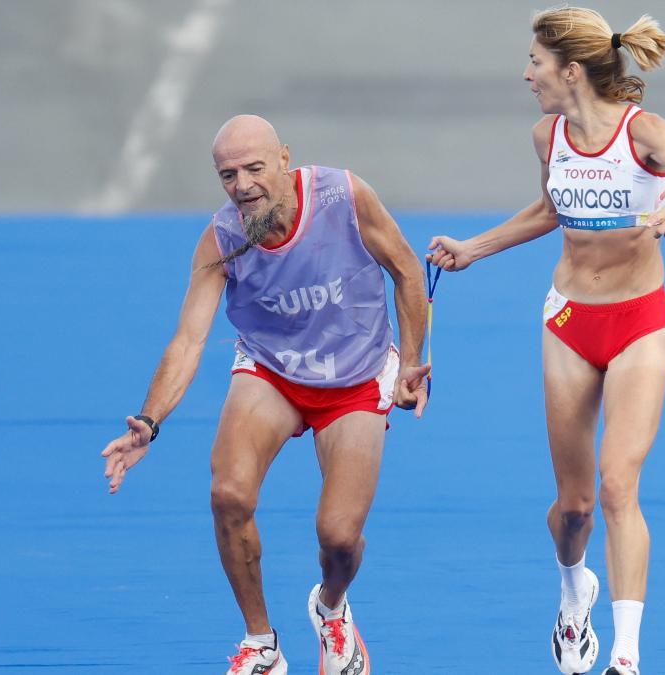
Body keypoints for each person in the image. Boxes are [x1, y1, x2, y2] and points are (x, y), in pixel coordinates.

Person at [428, 7, 665, 674]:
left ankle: (626, 654)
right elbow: (547, 209)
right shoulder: (548, 136)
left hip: (641, 320)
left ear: (570, 71)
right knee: (575, 506)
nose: (526, 74)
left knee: (620, 484)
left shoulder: (644, 132)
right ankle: (574, 591)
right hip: (569, 321)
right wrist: (473, 248)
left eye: (535, 63)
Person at [100, 114, 429, 675]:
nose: (243, 185)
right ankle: (261, 644)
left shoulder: (344, 196)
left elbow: (405, 271)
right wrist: (148, 421)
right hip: (272, 371)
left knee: (339, 536)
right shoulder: (222, 238)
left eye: (254, 168)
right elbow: (188, 340)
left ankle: (331, 609)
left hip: (357, 375)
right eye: (228, 175)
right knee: (228, 494)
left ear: (284, 159)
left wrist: (413, 362)